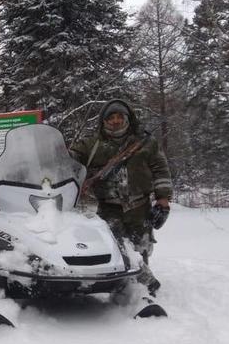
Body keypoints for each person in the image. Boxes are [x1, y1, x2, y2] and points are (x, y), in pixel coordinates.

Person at [70, 99, 172, 296]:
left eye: (120, 116)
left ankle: (141, 289)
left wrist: (163, 199)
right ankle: (122, 285)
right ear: (104, 121)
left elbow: (161, 170)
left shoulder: (146, 142)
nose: (116, 121)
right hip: (108, 207)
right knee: (115, 246)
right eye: (111, 117)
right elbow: (69, 158)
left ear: (128, 118)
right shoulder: (92, 144)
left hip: (139, 206)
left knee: (140, 246)